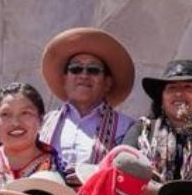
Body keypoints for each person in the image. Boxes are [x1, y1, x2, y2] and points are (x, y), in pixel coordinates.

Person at [40, 27, 138, 181]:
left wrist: (98, 174)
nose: (84, 75)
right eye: (76, 69)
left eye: (93, 70)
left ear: (107, 82)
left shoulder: (127, 128)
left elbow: (132, 176)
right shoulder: (42, 124)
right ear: (64, 79)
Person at [122, 58, 192, 187]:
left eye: (188, 87)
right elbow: (123, 173)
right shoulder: (142, 131)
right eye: (172, 88)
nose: (179, 93)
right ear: (161, 99)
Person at [0, 82, 66, 180]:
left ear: (40, 119)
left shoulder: (55, 166)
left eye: (25, 113)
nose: (15, 123)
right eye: (5, 114)